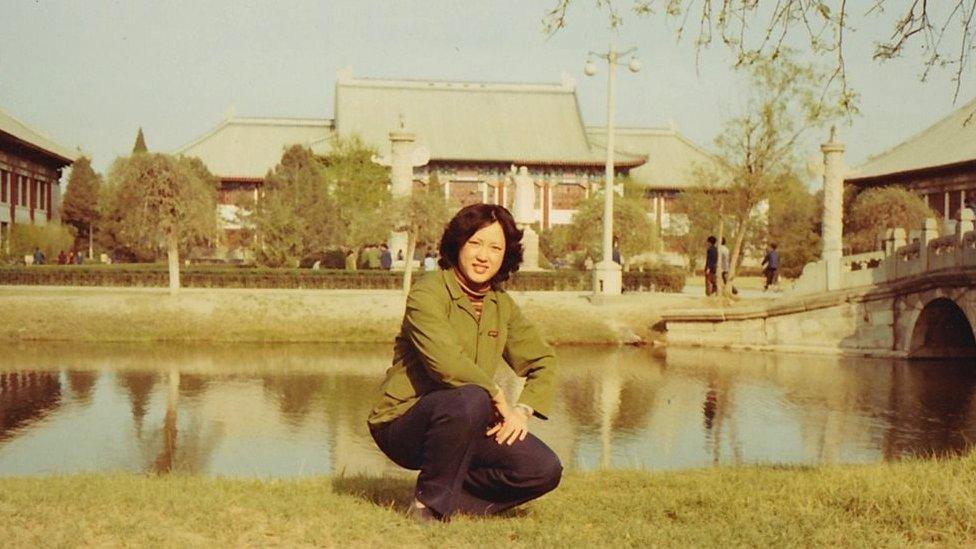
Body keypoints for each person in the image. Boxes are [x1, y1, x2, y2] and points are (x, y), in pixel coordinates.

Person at [367, 203, 561, 522]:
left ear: (506, 256)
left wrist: (522, 411)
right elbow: (446, 364)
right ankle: (426, 506)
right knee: (473, 397)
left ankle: (451, 501)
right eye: (475, 243)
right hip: (403, 423)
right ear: (458, 243)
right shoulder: (427, 292)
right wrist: (498, 397)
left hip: (469, 418)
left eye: (495, 247)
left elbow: (543, 360)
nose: (483, 256)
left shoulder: (502, 305)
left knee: (542, 468)